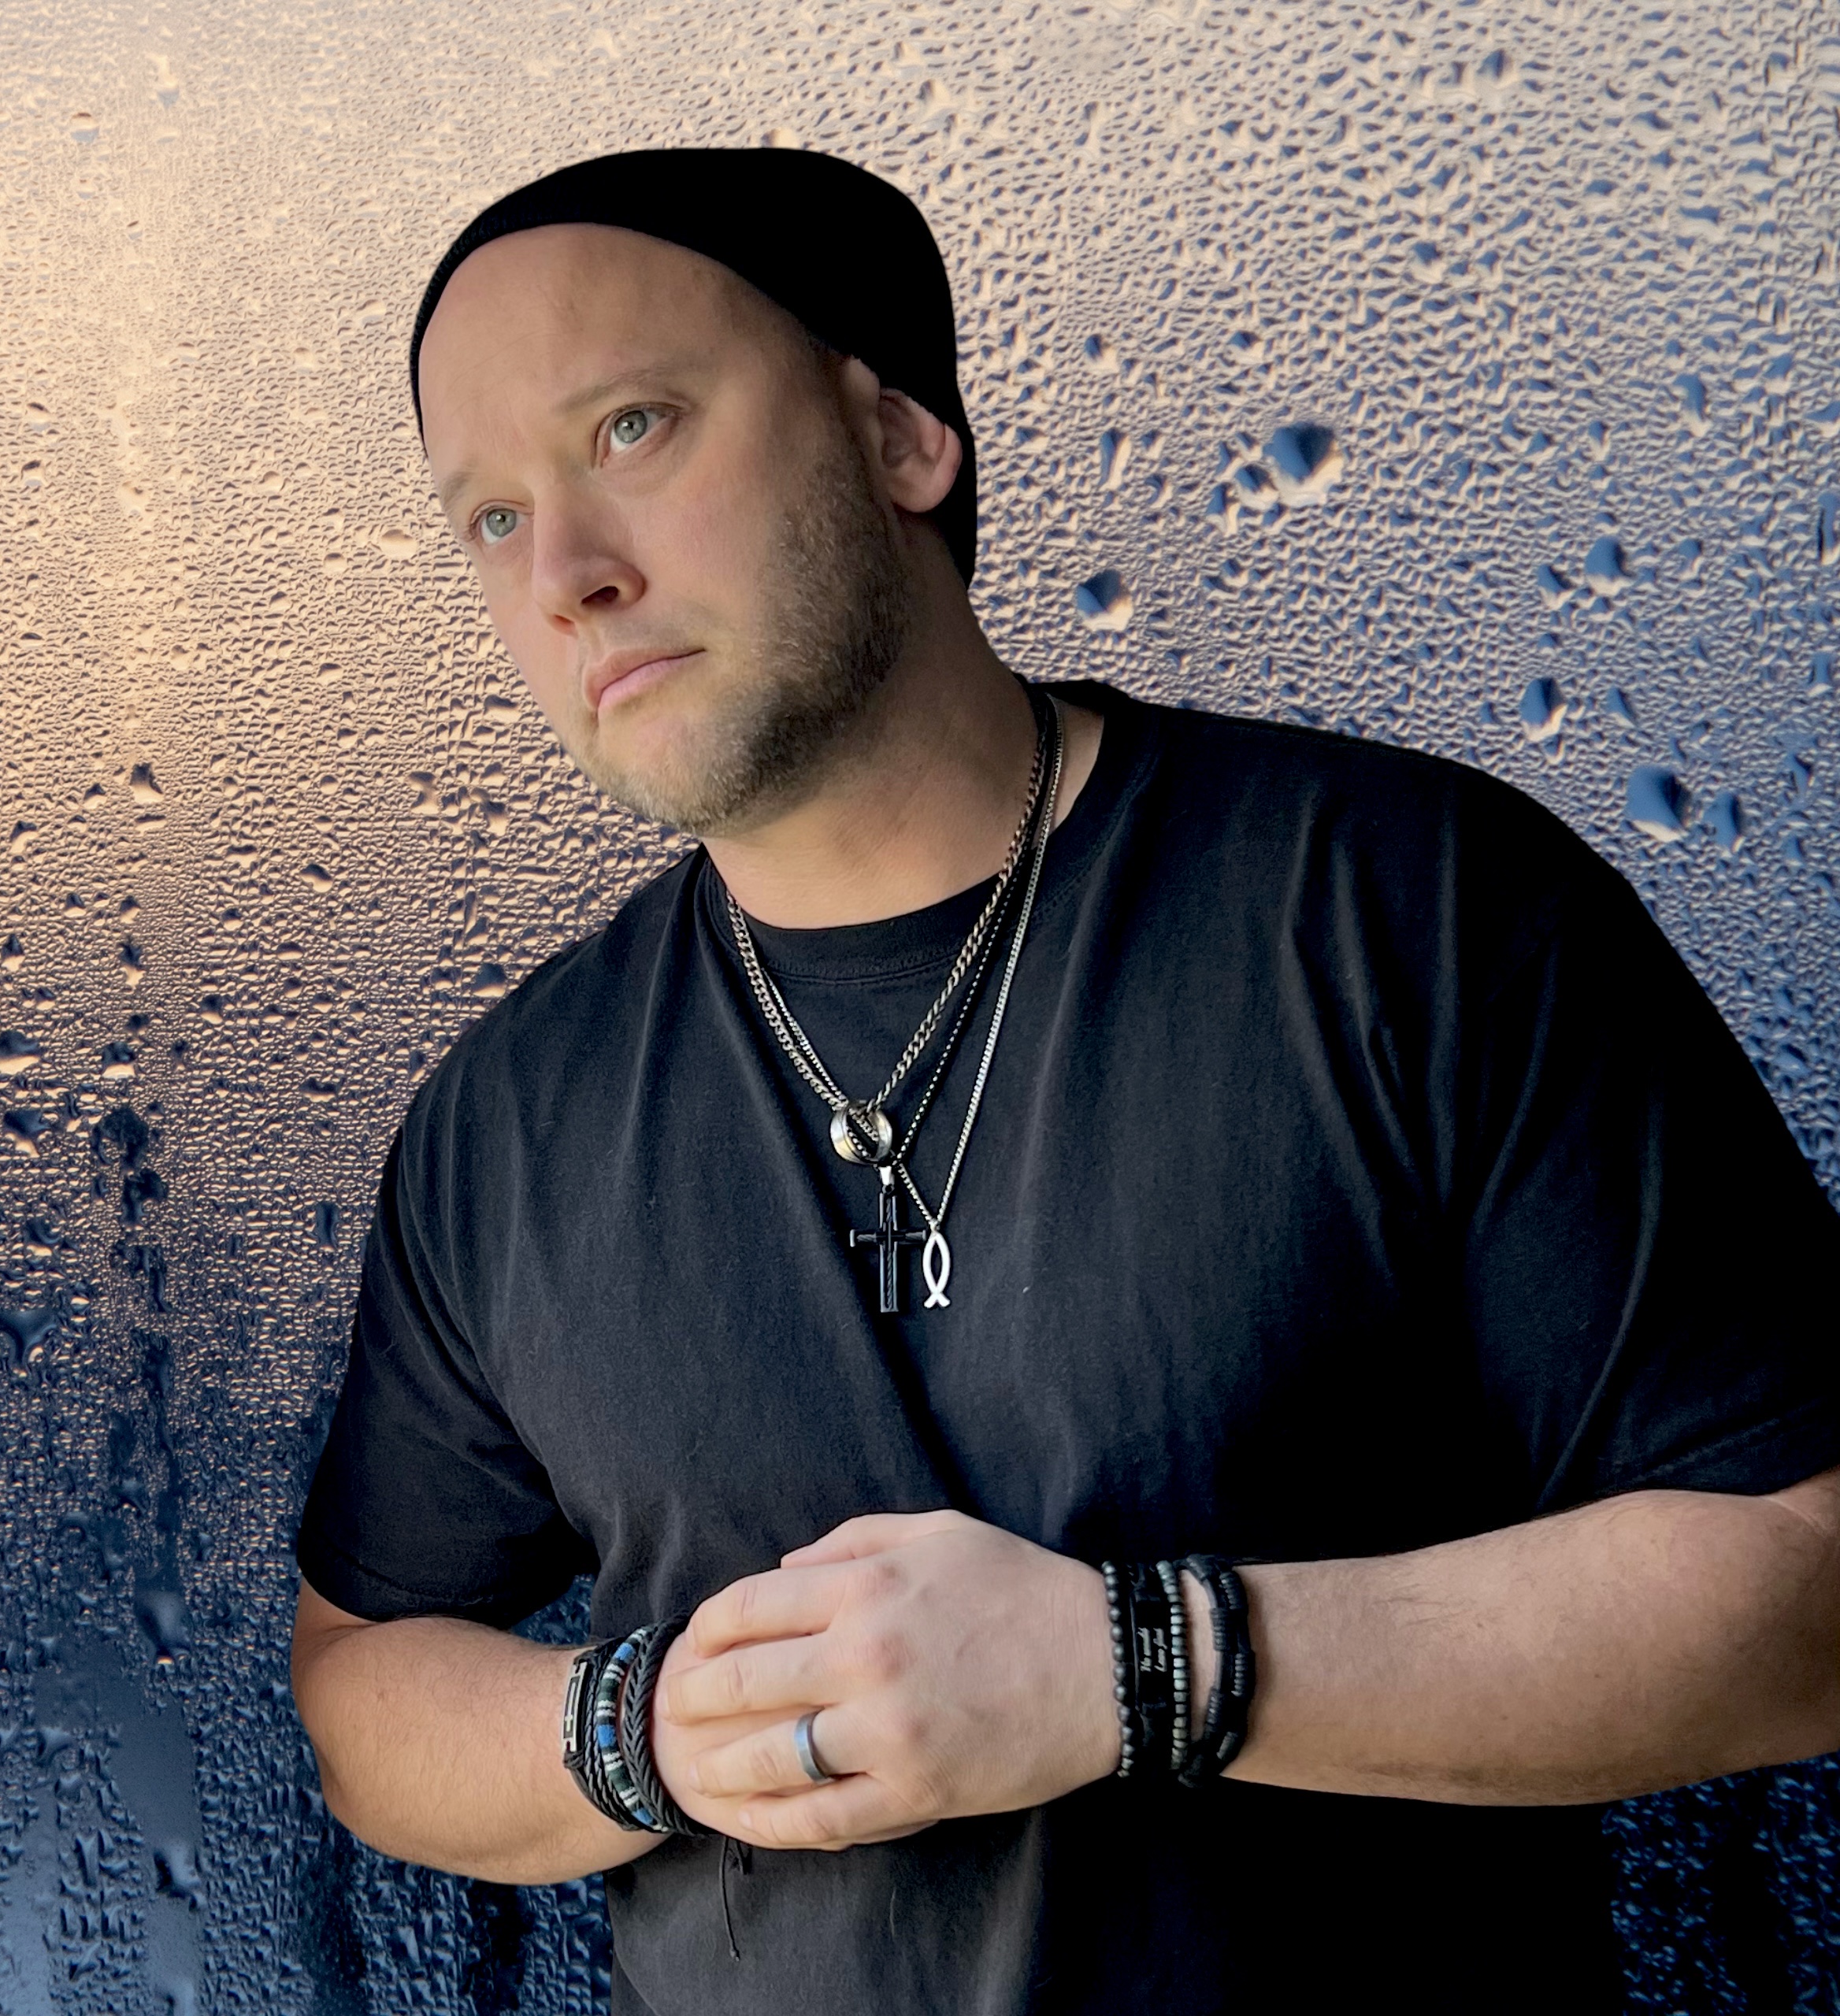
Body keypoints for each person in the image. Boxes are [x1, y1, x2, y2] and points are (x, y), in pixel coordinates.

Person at [288, 147, 1840, 2014]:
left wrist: (1140, 1664)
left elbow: (1805, 1575)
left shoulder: (1406, 911)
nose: (565, 576)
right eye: (487, 515)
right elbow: (361, 1682)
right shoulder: (504, 1122)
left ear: (894, 433)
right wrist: (641, 1727)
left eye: (630, 426)